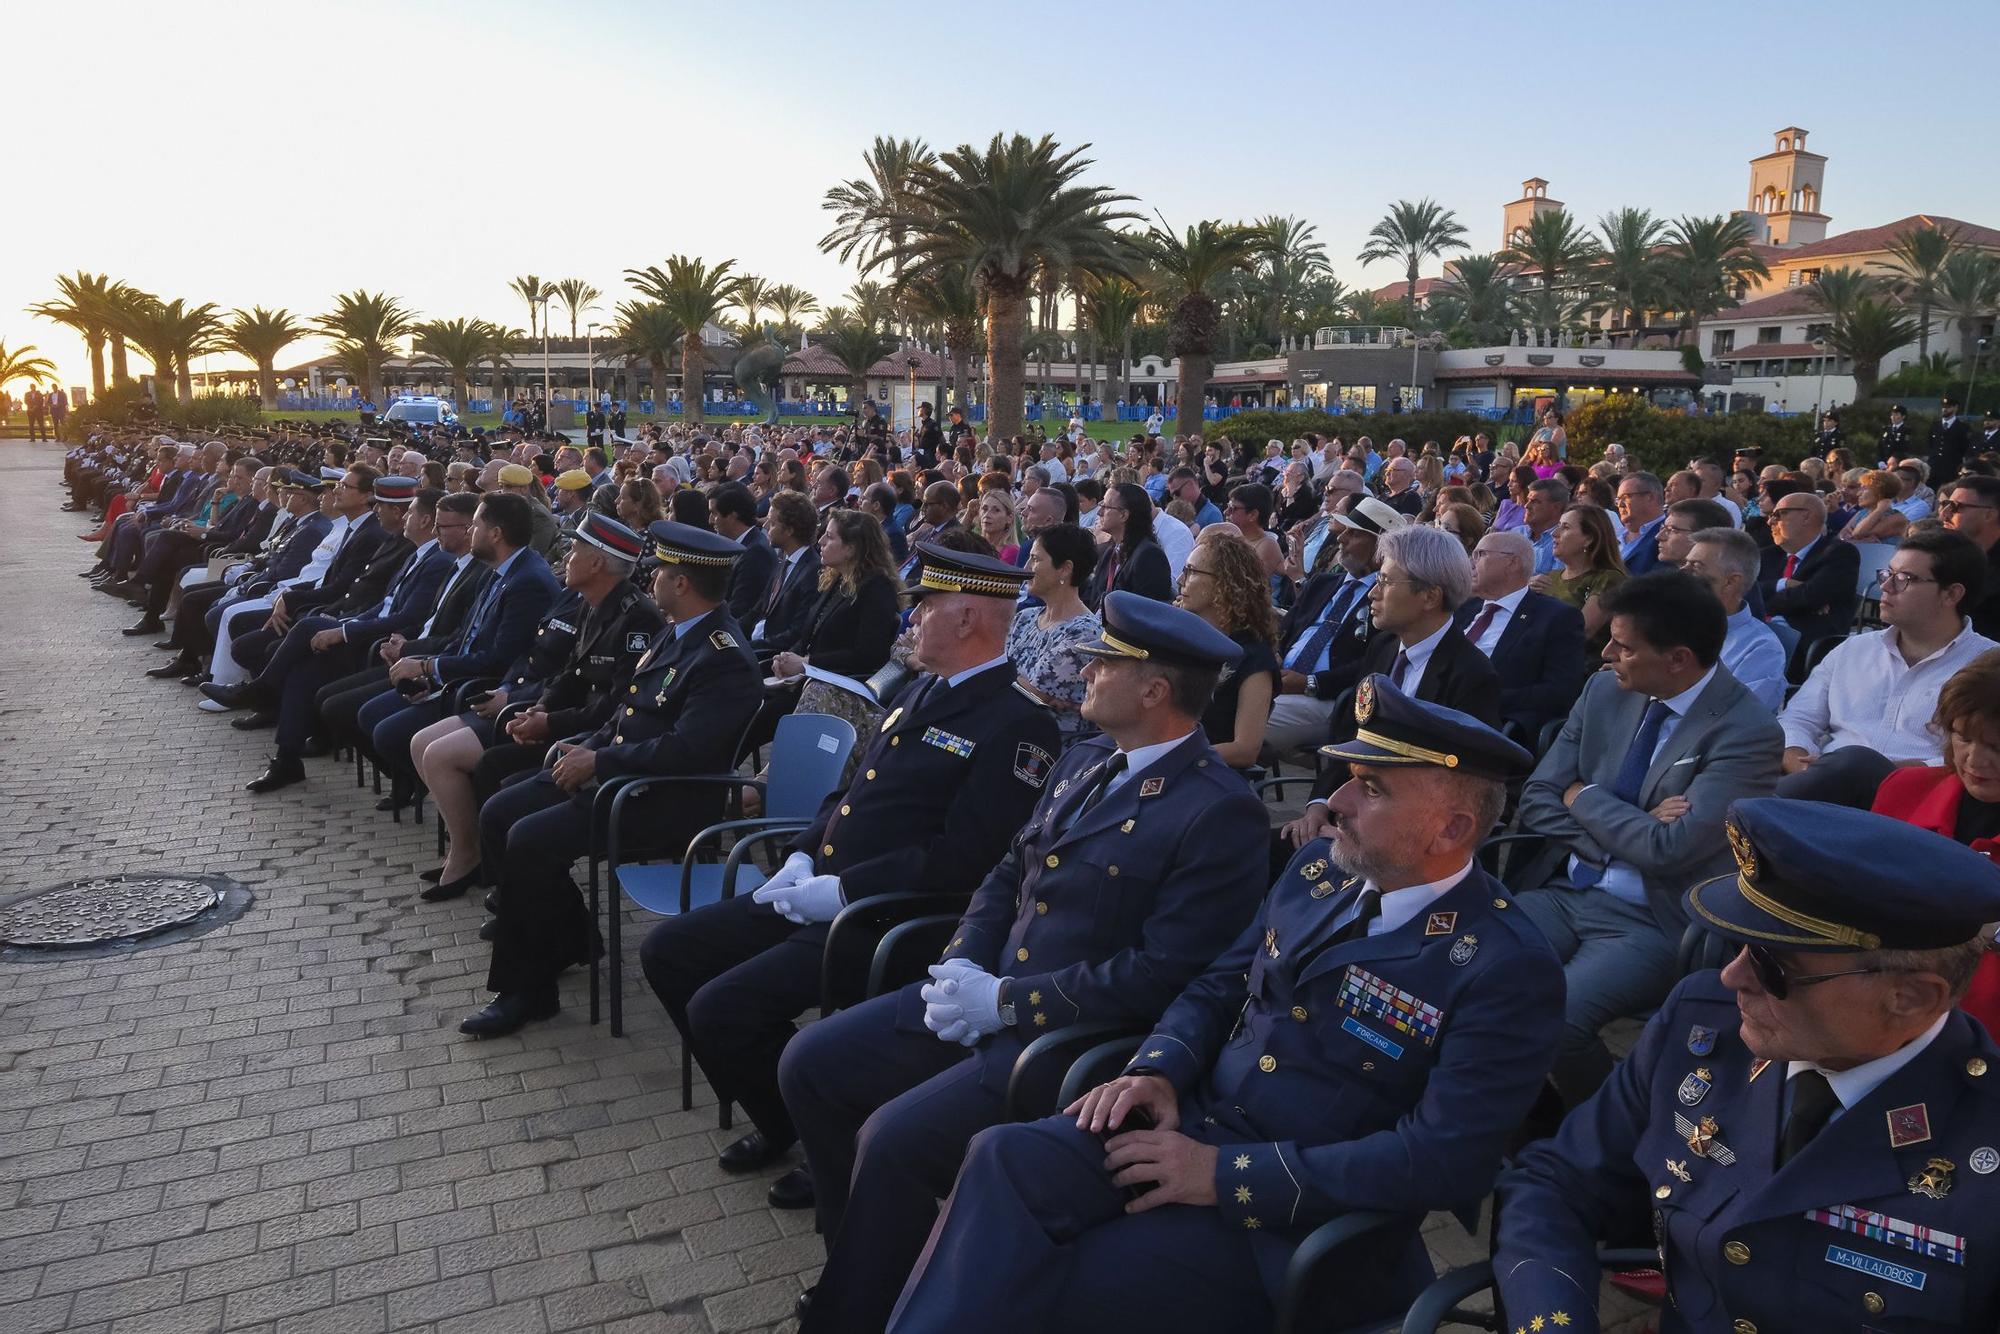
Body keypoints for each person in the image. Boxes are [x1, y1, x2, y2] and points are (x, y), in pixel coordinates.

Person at [888, 679, 1562, 1332]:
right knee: (1002, 1160)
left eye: (1373, 788)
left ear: (1451, 829)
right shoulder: (1318, 872)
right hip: (1192, 1126)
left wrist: (1224, 1174)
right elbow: (1219, 985)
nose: (1338, 801)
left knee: (1061, 1284)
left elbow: (1443, 1160)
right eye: (1349, 777)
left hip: (1293, 1221)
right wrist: (1157, 1069)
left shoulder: (1505, 966)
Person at [778, 593, 1268, 1332]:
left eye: (1105, 663)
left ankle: (853, 1310)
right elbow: (1009, 873)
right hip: (983, 992)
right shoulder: (1086, 757)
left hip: (1061, 1039)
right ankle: (868, 1259)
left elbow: (1164, 972)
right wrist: (962, 963)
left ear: (1154, 691)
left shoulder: (1217, 810)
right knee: (811, 1062)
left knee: (894, 1140)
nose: (1086, 672)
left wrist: (1006, 1000)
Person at [640, 545, 1060, 1209]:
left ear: (971, 619)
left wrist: (838, 892)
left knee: (722, 1006)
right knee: (668, 952)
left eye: (925, 607)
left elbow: (966, 859)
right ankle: (791, 1122)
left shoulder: (1018, 723)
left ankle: (821, 1130)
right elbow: (854, 794)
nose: (910, 619)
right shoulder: (921, 686)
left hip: (887, 918)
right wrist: (805, 853)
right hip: (824, 890)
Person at [1492, 798, 2000, 1334]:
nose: (1733, 978)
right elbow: (1559, 1181)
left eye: (1773, 965)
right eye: (1737, 944)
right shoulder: (1702, 1027)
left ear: (1913, 998)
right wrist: (1553, 1321)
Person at [460, 521, 764, 1038]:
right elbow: (628, 712)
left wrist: (599, 764)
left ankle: (527, 991)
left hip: (663, 800)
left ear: (682, 584)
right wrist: (589, 747)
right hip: (622, 775)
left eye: (659, 572)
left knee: (528, 839)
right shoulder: (678, 631)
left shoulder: (723, 657)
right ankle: (568, 938)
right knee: (500, 809)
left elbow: (687, 751)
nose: (650, 580)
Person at [1511, 570, 1785, 1102]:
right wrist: (1621, 826)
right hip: (1564, 890)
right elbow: (1539, 795)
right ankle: (1506, 1104)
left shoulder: (1746, 731)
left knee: (1558, 1022)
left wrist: (1585, 797)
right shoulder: (1605, 691)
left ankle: (1599, 1129)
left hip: (1651, 921)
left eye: (1625, 646)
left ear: (1678, 659)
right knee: (1468, 967)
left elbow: (1670, 850)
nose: (1607, 651)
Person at [408, 512, 662, 897]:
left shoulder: (636, 618)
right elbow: (570, 675)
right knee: (494, 768)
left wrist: (550, 723)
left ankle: (509, 886)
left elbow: (617, 702)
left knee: (500, 779)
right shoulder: (589, 602)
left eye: (575, 550)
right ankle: (502, 879)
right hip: (572, 726)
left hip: (594, 738)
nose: (565, 559)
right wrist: (538, 710)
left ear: (597, 563)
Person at [1284, 525, 1499, 854]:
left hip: (1410, 840)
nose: (1372, 593)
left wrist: (1361, 831)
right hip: (1352, 813)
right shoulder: (1383, 648)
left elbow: (1456, 786)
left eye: (1385, 582)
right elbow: (1349, 738)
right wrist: (1317, 806)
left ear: (1429, 596)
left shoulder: (1470, 674)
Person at [1778, 529, 1998, 806]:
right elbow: (1797, 720)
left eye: (1904, 579)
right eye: (1887, 574)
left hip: (1922, 802)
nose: (1885, 586)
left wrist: (1868, 774)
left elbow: (1981, 758)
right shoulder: (1853, 650)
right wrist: (1805, 767)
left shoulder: (1988, 669)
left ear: (1951, 594)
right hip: (1820, 787)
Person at [1871, 649, 2000, 1031]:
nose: (1975, 760)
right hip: (1876, 1009)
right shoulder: (1904, 791)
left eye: (1998, 748)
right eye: (1963, 736)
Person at [1262, 495, 1405, 761]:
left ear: (1380, 546)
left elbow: (1372, 665)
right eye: (1343, 531)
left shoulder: (1389, 599)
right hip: (1280, 681)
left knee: (1242, 717)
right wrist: (1273, 656)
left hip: (1329, 700)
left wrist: (1311, 682)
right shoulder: (1324, 583)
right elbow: (1286, 629)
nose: (1341, 539)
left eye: (1353, 534)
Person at [1455, 530, 1588, 743]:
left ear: (1512, 563)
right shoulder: (1464, 609)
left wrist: (1483, 698)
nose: (1471, 563)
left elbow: (1560, 691)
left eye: (1480, 555)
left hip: (1488, 727)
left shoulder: (1557, 618)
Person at [1176, 530, 1278, 769]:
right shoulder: (1187, 640)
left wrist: (1171, 756)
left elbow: (1245, 749)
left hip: (1205, 774)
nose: (1181, 580)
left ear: (1223, 583)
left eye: (1191, 572)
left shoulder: (1252, 659)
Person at [1007, 524, 1100, 734]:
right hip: (1007, 731)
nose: (1026, 567)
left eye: (1036, 559)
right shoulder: (1025, 618)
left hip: (1049, 749)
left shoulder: (1084, 633)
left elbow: (1033, 695)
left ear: (1065, 569)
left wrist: (1004, 678)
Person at [1683, 526, 1788, 711]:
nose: (1683, 571)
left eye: (1696, 566)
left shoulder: (1761, 650)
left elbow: (1733, 717)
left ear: (1730, 582)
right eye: (1686, 563)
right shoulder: (1669, 624)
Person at [1757, 490, 1860, 647]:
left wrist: (1760, 603)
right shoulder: (1766, 555)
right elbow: (1743, 591)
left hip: (1807, 644)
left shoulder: (1840, 553)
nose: (1770, 521)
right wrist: (1783, 584)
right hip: (1761, 634)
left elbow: (1810, 596)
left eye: (1779, 514)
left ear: (1806, 516)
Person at [1532, 503, 1628, 655]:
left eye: (1566, 527)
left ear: (1588, 539)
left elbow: (1582, 629)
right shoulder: (1548, 578)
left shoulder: (1608, 579)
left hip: (1576, 665)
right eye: (1558, 526)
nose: (1554, 533)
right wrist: (1524, 591)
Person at [1085, 482, 1174, 608]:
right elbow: (1092, 598)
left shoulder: (1150, 557)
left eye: (1105, 506)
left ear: (1123, 515)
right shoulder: (1110, 552)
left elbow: (1144, 613)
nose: (1099, 512)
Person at [709, 482, 778, 623]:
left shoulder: (756, 554)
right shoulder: (737, 544)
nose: (710, 520)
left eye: (714, 513)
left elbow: (739, 610)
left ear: (733, 516)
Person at [1942, 474, 2000, 639]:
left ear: (1989, 515)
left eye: (1955, 506)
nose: (1945, 513)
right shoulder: (1943, 553)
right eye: (1945, 504)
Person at [1614, 471, 1665, 575]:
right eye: (1618, 500)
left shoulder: (1667, 535)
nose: (1620, 505)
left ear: (1650, 497)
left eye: (1625, 497)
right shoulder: (1615, 535)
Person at [1842, 467, 1912, 542]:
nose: (1858, 493)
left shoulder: (1898, 517)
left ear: (1879, 492)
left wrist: (1879, 510)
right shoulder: (1861, 513)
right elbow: (1842, 534)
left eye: (1864, 489)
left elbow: (1857, 534)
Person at [1522, 477, 1568, 575]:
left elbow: (1554, 584)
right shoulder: (1515, 533)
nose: (1527, 506)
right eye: (1528, 500)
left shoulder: (1563, 542)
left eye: (1535, 502)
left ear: (1556, 507)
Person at [1929, 393, 1971, 485]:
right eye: (1943, 407)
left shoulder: (1963, 427)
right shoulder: (1935, 425)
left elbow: (1964, 447)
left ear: (1955, 408)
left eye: (1948, 407)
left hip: (1951, 468)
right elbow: (1930, 444)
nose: (1944, 409)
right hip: (1934, 467)